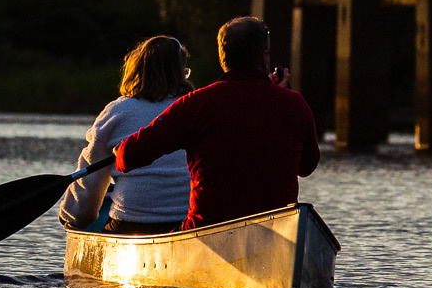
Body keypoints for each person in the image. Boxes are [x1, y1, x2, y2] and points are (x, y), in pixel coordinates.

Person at [114, 16, 320, 231]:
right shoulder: (295, 103)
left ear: (222, 59)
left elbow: (127, 158)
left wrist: (119, 150)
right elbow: (306, 167)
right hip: (278, 232)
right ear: (264, 57)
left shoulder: (195, 104)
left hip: (205, 231)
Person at [59, 36, 193, 235]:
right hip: (191, 224)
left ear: (137, 70)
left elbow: (90, 183)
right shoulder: (197, 108)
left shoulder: (117, 112)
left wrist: (72, 217)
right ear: (181, 72)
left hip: (130, 223)